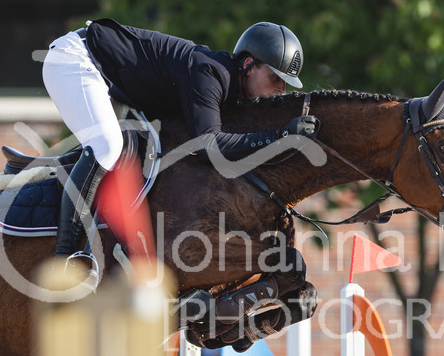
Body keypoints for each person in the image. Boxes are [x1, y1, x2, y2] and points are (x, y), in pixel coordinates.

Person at [41, 19, 319, 286]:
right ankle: (65, 260)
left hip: (110, 82)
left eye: (284, 82)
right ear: (248, 65)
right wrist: (281, 136)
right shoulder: (210, 73)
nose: (281, 89)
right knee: (108, 147)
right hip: (77, 59)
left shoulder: (229, 88)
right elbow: (211, 147)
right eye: (275, 78)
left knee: (131, 156)